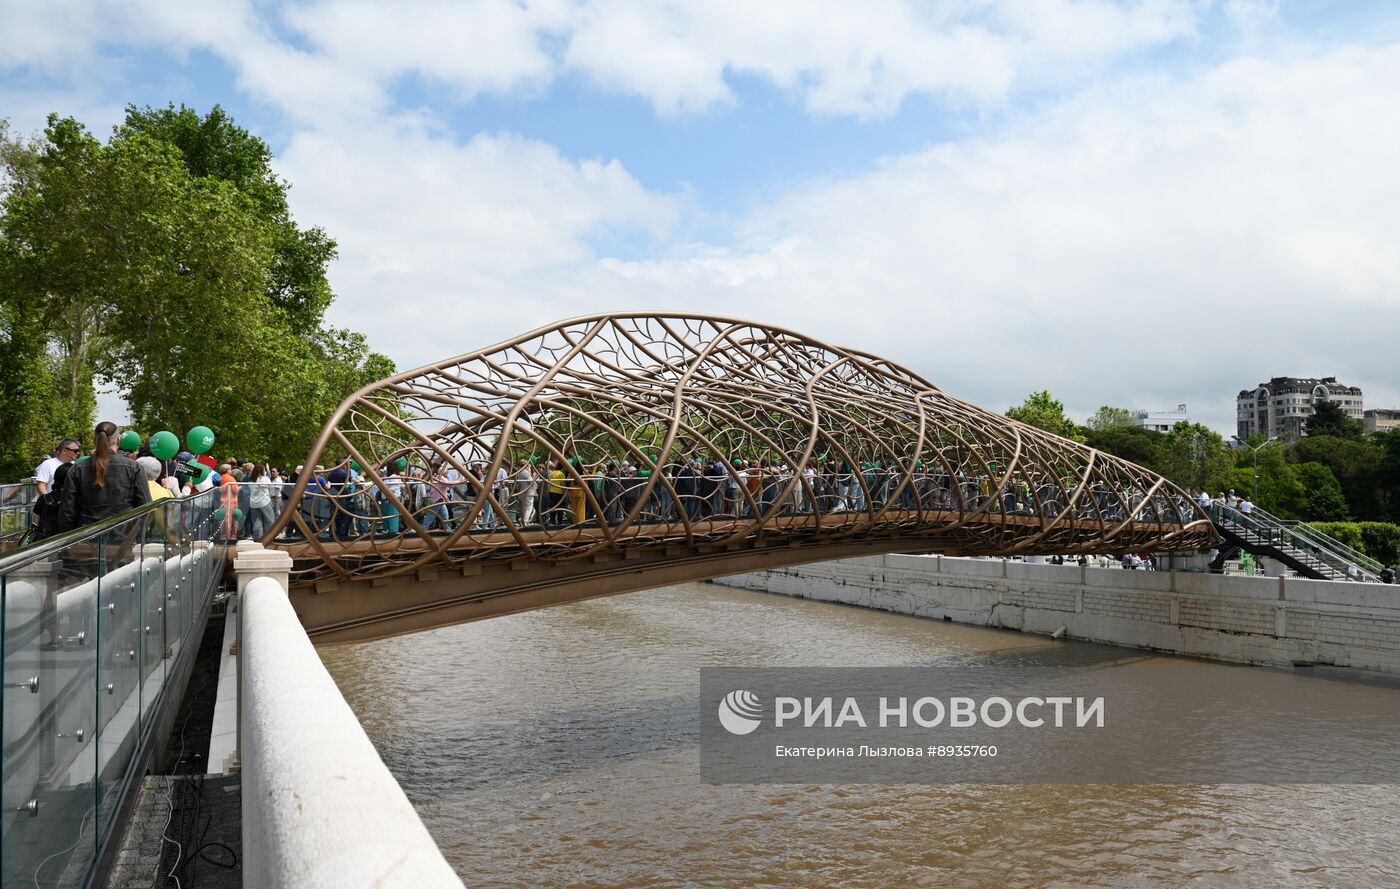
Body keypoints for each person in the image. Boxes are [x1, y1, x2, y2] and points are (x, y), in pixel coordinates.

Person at [57, 422, 149, 532]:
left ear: (94, 441)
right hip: (123, 538)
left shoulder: (77, 469)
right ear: (118, 441)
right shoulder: (134, 467)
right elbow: (146, 506)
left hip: (85, 536)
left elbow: (67, 511)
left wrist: (69, 539)